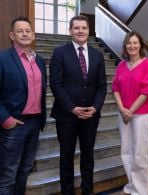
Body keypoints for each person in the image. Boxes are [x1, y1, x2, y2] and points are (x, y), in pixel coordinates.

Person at [49, 15, 107, 195]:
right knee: (66, 157)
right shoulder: (60, 52)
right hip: (66, 116)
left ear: (89, 31)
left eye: (84, 28)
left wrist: (95, 107)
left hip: (90, 117)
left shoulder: (97, 55)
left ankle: (87, 191)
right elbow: (55, 84)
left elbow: (102, 86)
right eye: (76, 28)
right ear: (70, 31)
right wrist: (72, 108)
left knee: (88, 157)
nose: (80, 31)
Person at [0, 16, 46, 195]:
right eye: (20, 31)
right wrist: (5, 119)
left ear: (33, 35)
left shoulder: (39, 61)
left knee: (24, 170)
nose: (25, 34)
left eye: (28, 31)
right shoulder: (3, 58)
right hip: (13, 125)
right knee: (7, 175)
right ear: (12, 35)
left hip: (34, 124)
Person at [112, 31, 148, 195]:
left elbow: (147, 90)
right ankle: (132, 185)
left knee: (140, 153)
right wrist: (122, 109)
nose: (132, 46)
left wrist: (130, 110)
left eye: (135, 43)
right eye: (129, 43)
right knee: (126, 151)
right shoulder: (121, 65)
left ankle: (141, 190)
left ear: (141, 46)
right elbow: (115, 87)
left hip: (140, 115)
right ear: (125, 46)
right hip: (123, 114)